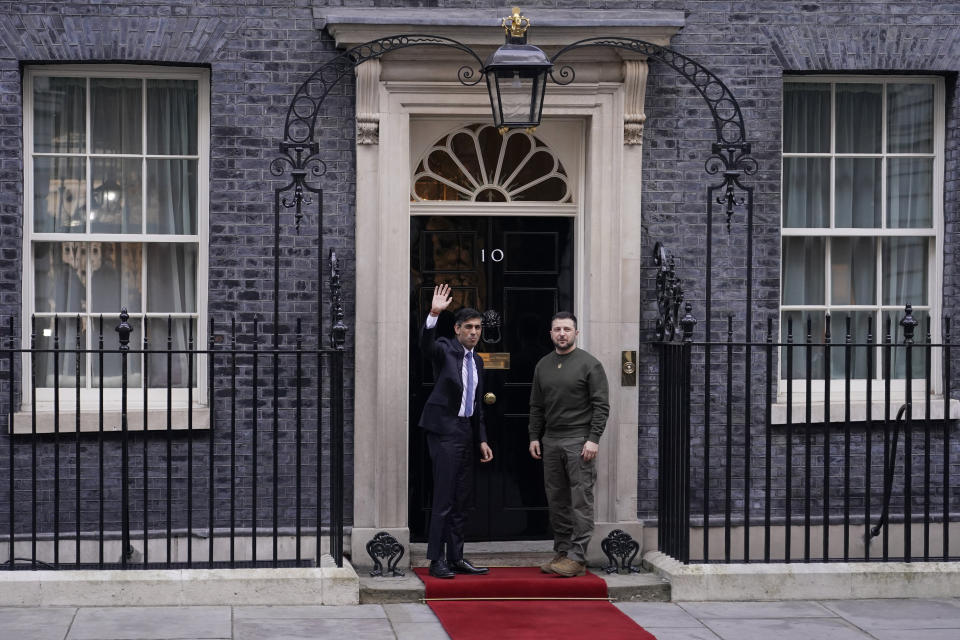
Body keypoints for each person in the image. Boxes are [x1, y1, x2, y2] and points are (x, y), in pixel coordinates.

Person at [419, 283, 494, 579]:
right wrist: (434, 314)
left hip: (465, 431)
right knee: (445, 498)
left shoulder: (477, 361)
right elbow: (425, 345)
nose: (474, 332)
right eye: (469, 328)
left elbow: (477, 405)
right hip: (444, 431)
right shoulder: (445, 350)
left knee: (463, 499)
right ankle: (436, 560)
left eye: (478, 328)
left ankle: (456, 557)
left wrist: (483, 439)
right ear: (458, 329)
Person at [528, 311, 609, 577]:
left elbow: (601, 406)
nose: (562, 333)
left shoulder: (590, 364)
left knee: (580, 500)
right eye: (557, 329)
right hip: (551, 440)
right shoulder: (543, 365)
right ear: (550, 334)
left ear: (576, 333)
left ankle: (577, 556)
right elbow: (536, 406)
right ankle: (562, 552)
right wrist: (533, 436)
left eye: (566, 329)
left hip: (579, 441)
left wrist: (593, 439)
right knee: (557, 499)